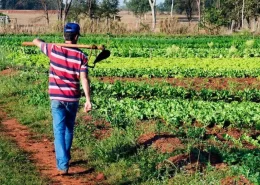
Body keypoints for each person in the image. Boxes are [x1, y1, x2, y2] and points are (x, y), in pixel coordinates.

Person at [33, 22, 92, 175]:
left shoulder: (53, 49)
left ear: (63, 36)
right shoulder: (82, 56)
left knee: (59, 131)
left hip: (57, 98)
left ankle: (63, 164)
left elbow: (36, 41)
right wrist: (88, 100)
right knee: (68, 129)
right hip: (72, 98)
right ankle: (64, 159)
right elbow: (84, 79)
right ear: (77, 36)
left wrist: (39, 40)